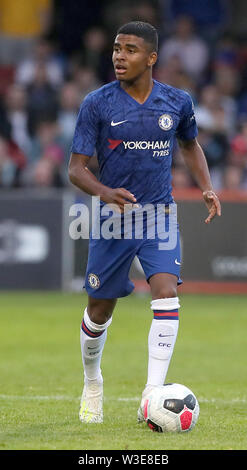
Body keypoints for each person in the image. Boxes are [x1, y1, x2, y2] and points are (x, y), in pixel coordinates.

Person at [68, 21, 221, 424]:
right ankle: (92, 381)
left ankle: (152, 393)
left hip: (159, 216)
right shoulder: (97, 103)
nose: (119, 55)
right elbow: (75, 169)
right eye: (117, 48)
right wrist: (103, 191)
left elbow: (190, 144)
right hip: (112, 220)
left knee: (166, 292)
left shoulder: (177, 102)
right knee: (99, 311)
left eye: (130, 49)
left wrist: (206, 186)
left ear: (151, 58)